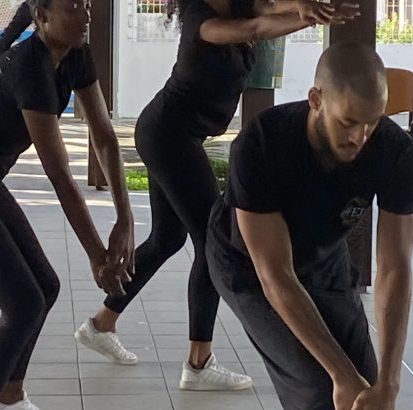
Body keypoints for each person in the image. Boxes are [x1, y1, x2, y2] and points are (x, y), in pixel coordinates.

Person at [75, 0, 358, 391]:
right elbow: (255, 29)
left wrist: (307, 10)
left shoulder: (240, 5)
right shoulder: (199, 19)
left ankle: (101, 324)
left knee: (167, 238)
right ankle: (199, 362)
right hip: (168, 135)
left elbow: (270, 9)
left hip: (174, 134)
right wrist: (306, 18)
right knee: (213, 242)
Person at [0, 1, 134, 409]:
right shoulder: (30, 70)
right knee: (22, 304)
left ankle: (10, 396)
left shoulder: (76, 53)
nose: (86, 16)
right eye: (73, 8)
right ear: (42, 17)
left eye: (86, 5)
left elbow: (104, 137)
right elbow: (60, 175)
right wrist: (97, 255)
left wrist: (125, 218)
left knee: (44, 288)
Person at [206, 42, 413, 409]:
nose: (359, 138)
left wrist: (389, 381)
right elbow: (276, 275)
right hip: (247, 264)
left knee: (367, 387)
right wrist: (340, 374)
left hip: (324, 254)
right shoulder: (262, 144)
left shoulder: (395, 152)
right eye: (348, 122)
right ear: (316, 100)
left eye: (372, 123)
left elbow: (394, 269)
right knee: (320, 386)